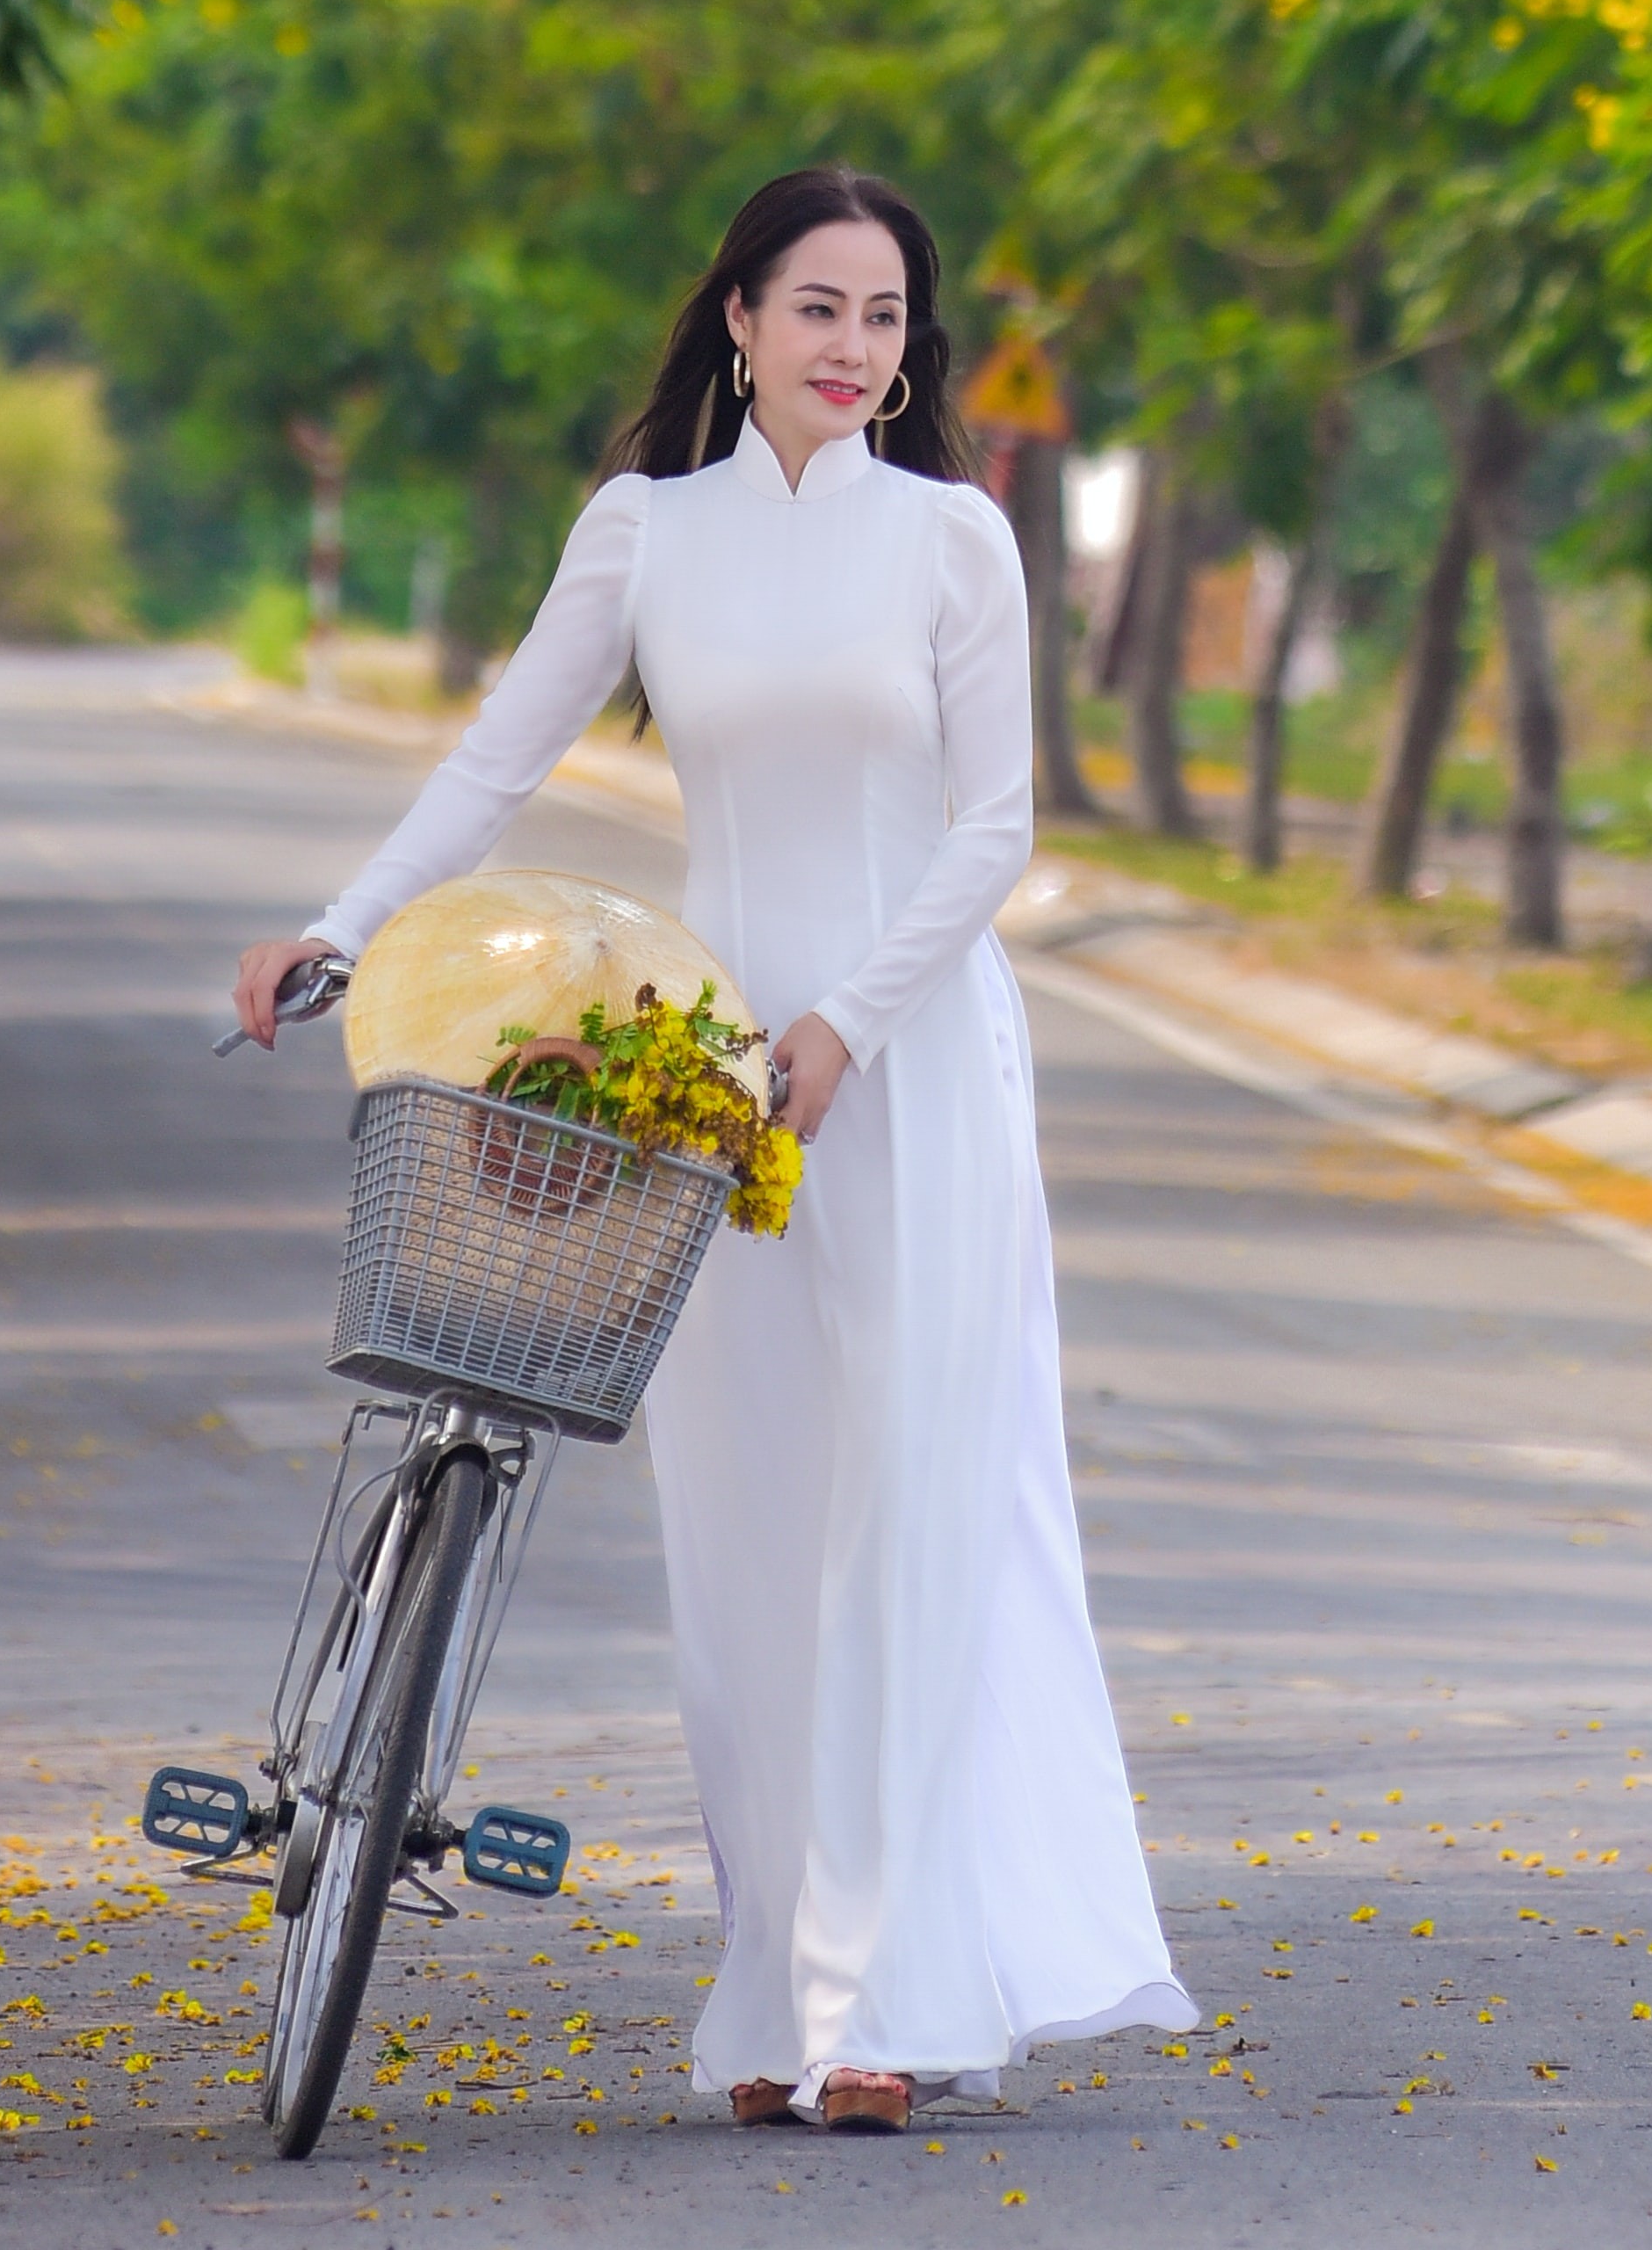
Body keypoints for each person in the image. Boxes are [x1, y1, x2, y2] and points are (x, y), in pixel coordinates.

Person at [230, 164, 1193, 2134]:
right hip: (697, 1067)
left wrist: (848, 1020)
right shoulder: (641, 530)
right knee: (746, 1526)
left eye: (889, 314)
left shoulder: (952, 538)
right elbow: (496, 758)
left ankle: (880, 1994)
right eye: (819, 306)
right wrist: (337, 921)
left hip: (905, 1060)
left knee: (900, 1510)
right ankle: (768, 1985)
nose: (859, 347)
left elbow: (992, 827)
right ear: (738, 317)